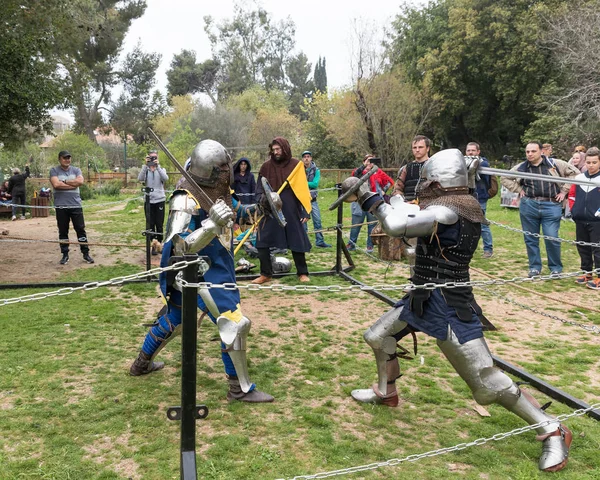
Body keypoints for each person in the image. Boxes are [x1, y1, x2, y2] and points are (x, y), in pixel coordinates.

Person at [342, 149, 572, 473]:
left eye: (426, 181)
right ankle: (386, 391)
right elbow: (405, 210)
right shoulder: (457, 205)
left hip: (448, 303)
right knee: (379, 337)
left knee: (485, 385)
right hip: (422, 295)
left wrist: (366, 195)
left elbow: (394, 224)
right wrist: (382, 197)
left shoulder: (448, 212)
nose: (422, 187)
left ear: (436, 181)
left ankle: (551, 427)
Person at [129, 139, 273, 403]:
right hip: (194, 270)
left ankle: (141, 363)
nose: (229, 170)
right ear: (215, 171)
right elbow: (180, 245)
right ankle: (238, 389)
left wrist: (263, 206)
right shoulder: (185, 199)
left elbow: (238, 214)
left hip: (215, 265)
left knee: (176, 321)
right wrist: (211, 225)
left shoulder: (218, 191)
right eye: (224, 167)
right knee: (234, 323)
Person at [501, 142, 579, 277]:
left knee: (551, 237)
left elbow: (575, 173)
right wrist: (518, 189)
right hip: (529, 204)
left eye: (533, 151)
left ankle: (555, 268)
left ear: (541, 152)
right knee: (530, 238)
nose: (530, 154)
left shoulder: (554, 164)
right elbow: (504, 177)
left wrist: (564, 190)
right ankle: (535, 268)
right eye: (527, 152)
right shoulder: (522, 167)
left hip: (551, 205)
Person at [252, 137, 311, 284]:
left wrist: (304, 211)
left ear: (285, 148)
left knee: (296, 240)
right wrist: (261, 200)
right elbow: (260, 187)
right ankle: (265, 274)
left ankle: (302, 273)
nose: (276, 152)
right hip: (270, 207)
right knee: (262, 241)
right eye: (273, 150)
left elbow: (302, 189)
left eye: (278, 149)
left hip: (291, 206)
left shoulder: (296, 165)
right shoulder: (266, 166)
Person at [49, 151, 94, 265]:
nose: (67, 160)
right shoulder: (54, 171)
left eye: (69, 158)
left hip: (76, 205)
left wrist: (64, 181)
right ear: (59, 159)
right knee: (63, 231)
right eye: (65, 158)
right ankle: (65, 255)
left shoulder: (76, 170)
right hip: (61, 206)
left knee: (80, 230)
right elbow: (56, 185)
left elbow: (80, 182)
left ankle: (86, 253)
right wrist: (72, 185)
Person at [567, 147, 600, 289]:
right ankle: (587, 272)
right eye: (588, 162)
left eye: (594, 162)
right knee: (583, 246)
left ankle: (599, 276)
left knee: (597, 249)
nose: (591, 165)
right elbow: (572, 195)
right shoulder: (579, 178)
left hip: (597, 221)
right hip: (580, 218)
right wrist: (574, 210)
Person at [466, 142, 494, 258]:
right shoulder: (464, 162)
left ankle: (488, 249)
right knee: (467, 225)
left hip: (480, 197)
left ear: (478, 151)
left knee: (483, 226)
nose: (470, 152)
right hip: (467, 197)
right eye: (468, 150)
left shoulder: (484, 164)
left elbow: (485, 181)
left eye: (473, 150)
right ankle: (468, 249)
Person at [138, 150, 169, 255]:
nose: (153, 159)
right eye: (151, 157)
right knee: (150, 224)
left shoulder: (161, 169)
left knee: (159, 224)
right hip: (149, 201)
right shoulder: (146, 170)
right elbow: (140, 179)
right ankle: (153, 246)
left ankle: (160, 244)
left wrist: (158, 166)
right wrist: (145, 166)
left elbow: (165, 178)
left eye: (154, 157)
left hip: (159, 200)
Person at [347, 155, 378, 253]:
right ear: (364, 161)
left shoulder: (377, 172)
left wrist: (383, 191)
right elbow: (354, 177)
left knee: (371, 224)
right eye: (368, 161)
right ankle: (351, 244)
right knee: (356, 224)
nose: (370, 163)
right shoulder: (358, 171)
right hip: (358, 201)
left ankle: (370, 246)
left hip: (372, 201)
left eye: (371, 161)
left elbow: (388, 182)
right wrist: (364, 166)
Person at [302, 150, 331, 248]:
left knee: (317, 220)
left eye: (308, 156)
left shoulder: (316, 170)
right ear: (302, 159)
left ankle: (320, 241)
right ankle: (304, 242)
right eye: (305, 156)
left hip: (313, 200)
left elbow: (315, 184)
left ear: (311, 158)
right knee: (303, 222)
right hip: (302, 200)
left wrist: (303, 184)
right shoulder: (299, 169)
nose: (306, 158)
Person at [392, 135, 431, 201]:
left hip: (430, 205)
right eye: (414, 147)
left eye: (420, 147)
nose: (417, 150)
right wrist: (403, 201)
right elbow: (397, 189)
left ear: (427, 148)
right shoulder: (406, 168)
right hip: (408, 205)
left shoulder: (433, 166)